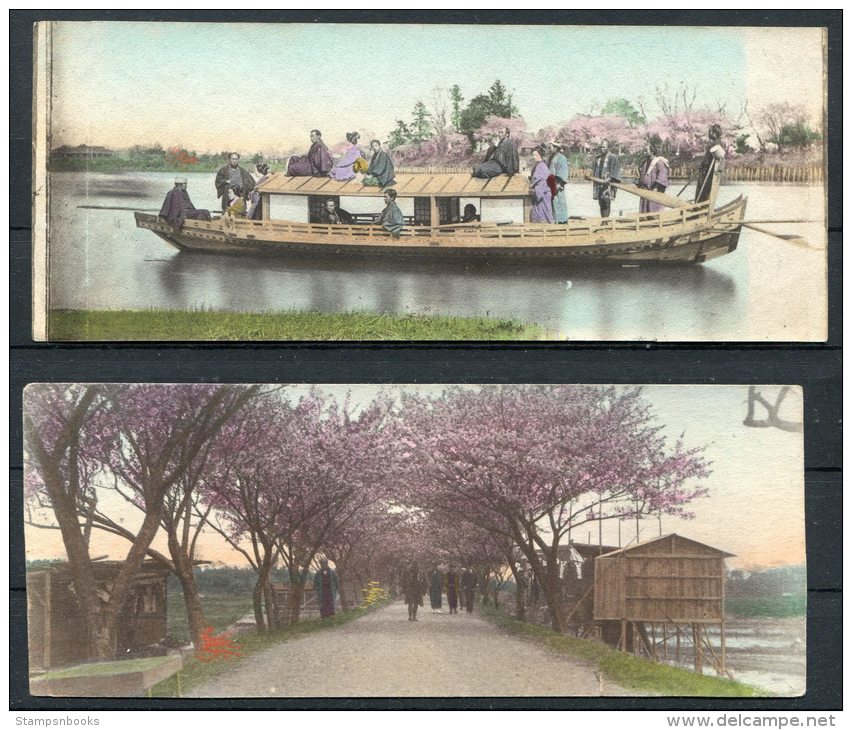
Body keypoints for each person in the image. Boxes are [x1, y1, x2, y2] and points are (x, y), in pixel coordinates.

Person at [637, 136, 670, 213]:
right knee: (644, 210)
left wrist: (655, 187)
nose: (644, 152)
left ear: (652, 151)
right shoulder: (645, 162)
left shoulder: (660, 163)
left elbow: (662, 177)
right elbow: (642, 175)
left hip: (654, 190)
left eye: (646, 150)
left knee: (654, 209)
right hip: (645, 190)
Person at [695, 124, 726, 204]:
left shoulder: (715, 143)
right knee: (706, 190)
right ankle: (702, 205)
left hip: (707, 170)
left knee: (703, 189)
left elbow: (711, 158)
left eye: (710, 132)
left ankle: (700, 206)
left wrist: (702, 166)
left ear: (714, 133)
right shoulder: (719, 142)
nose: (709, 134)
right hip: (708, 169)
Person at [591, 139, 621, 218]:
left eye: (604, 147)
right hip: (599, 182)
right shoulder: (598, 158)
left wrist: (610, 178)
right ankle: (603, 220)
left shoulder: (613, 157)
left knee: (606, 201)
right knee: (601, 202)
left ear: (608, 148)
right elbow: (594, 169)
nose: (602, 149)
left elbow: (616, 170)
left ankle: (605, 221)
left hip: (608, 183)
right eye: (601, 147)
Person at [529, 146, 554, 223]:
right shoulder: (539, 165)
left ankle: (549, 227)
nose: (534, 157)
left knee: (545, 211)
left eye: (536, 155)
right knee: (539, 210)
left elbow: (537, 178)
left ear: (540, 155)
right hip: (541, 190)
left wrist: (531, 184)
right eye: (534, 155)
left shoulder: (541, 165)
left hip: (543, 191)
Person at [548, 141, 570, 223]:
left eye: (551, 146)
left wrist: (559, 184)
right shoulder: (552, 157)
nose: (550, 148)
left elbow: (563, 172)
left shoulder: (561, 158)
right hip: (550, 183)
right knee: (553, 203)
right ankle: (555, 220)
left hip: (557, 183)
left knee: (559, 202)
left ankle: (562, 221)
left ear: (555, 147)